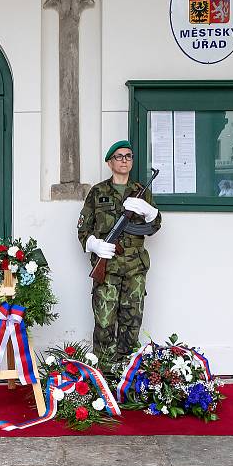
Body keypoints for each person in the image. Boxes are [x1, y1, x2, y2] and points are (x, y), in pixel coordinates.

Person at [77, 140, 161, 369]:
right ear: (109, 162)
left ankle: (126, 374)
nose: (124, 160)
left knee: (131, 321)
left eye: (128, 156)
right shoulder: (97, 192)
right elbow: (83, 230)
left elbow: (154, 227)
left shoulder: (141, 192)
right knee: (104, 321)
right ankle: (103, 373)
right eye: (119, 156)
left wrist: (150, 213)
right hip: (108, 270)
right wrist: (94, 244)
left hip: (135, 269)